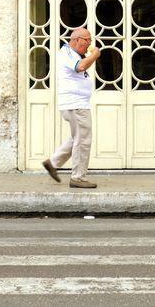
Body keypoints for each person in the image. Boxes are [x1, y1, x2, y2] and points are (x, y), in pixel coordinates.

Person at [42, 27, 101, 188]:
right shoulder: (67, 53)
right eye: (86, 40)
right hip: (75, 104)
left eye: (90, 40)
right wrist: (95, 54)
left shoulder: (74, 53)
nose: (89, 43)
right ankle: (78, 177)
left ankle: (53, 163)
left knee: (77, 138)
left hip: (76, 103)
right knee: (83, 141)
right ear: (75, 40)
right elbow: (80, 67)